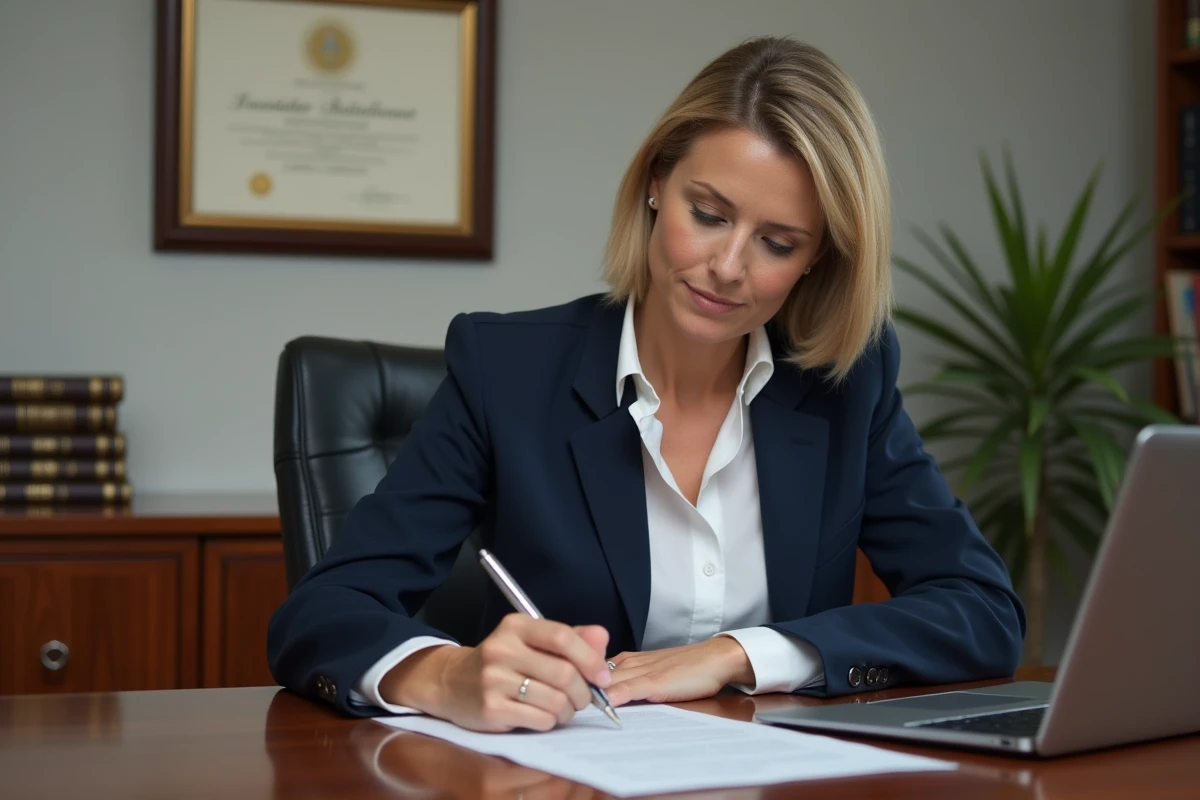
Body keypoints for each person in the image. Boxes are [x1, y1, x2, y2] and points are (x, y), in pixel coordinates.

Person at [267, 36, 1025, 733]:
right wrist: (445, 673)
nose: (728, 267)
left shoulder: (845, 383)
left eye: (777, 243)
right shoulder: (506, 369)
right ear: (657, 184)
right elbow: (322, 613)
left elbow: (982, 611)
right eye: (709, 214)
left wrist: (741, 653)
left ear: (817, 260)